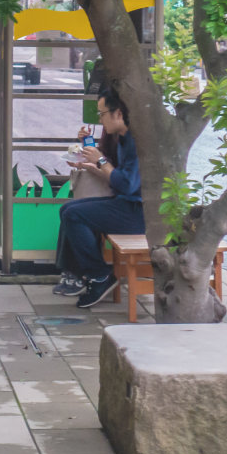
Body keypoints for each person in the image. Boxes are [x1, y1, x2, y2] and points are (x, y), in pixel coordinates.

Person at [52, 88, 145, 308]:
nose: (100, 119)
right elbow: (113, 173)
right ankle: (85, 273)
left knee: (74, 214)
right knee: (68, 210)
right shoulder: (121, 137)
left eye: (102, 114)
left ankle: (99, 275)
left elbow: (126, 184)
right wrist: (91, 160)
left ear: (118, 114)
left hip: (139, 212)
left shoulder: (135, 141)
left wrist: (100, 160)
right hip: (126, 204)